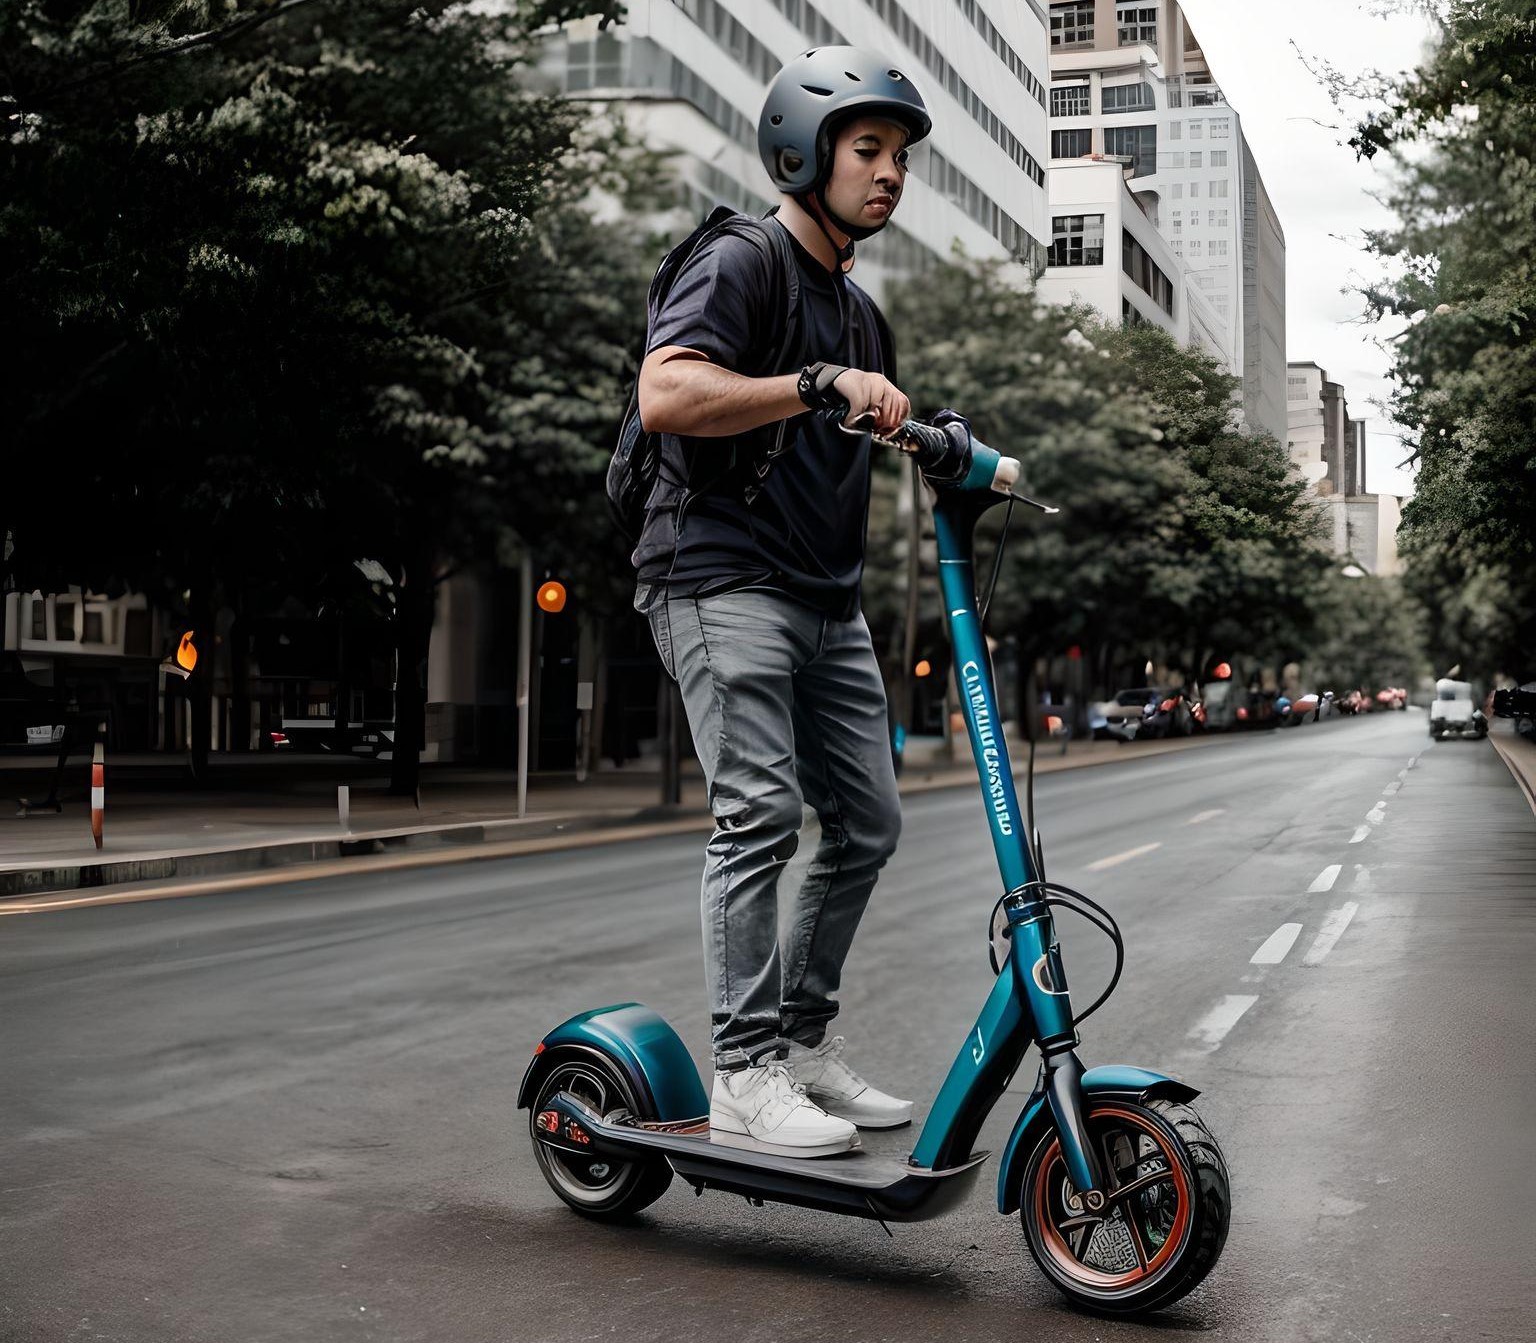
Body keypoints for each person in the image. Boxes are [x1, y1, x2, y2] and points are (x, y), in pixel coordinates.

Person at [633, 48, 962, 1159]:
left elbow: (874, 424)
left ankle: (802, 1040)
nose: (889, 175)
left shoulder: (864, 317)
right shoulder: (742, 259)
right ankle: (742, 1069)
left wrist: (950, 445)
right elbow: (668, 389)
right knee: (761, 817)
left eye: (900, 157)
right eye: (868, 150)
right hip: (720, 577)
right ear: (804, 152)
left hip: (828, 602)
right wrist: (810, 383)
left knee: (869, 819)